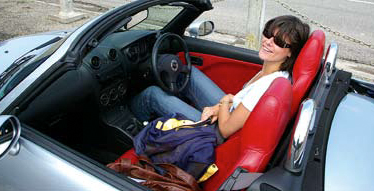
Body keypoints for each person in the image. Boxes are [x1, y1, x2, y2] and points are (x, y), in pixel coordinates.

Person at [129, 15, 310, 139]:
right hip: (228, 111)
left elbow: (225, 130)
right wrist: (220, 105)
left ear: (290, 53)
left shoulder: (268, 85)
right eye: (268, 34)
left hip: (215, 133)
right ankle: (169, 116)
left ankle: (132, 130)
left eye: (278, 42)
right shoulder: (269, 70)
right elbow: (237, 102)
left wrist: (222, 104)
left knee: (152, 95)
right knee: (189, 73)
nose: (268, 42)